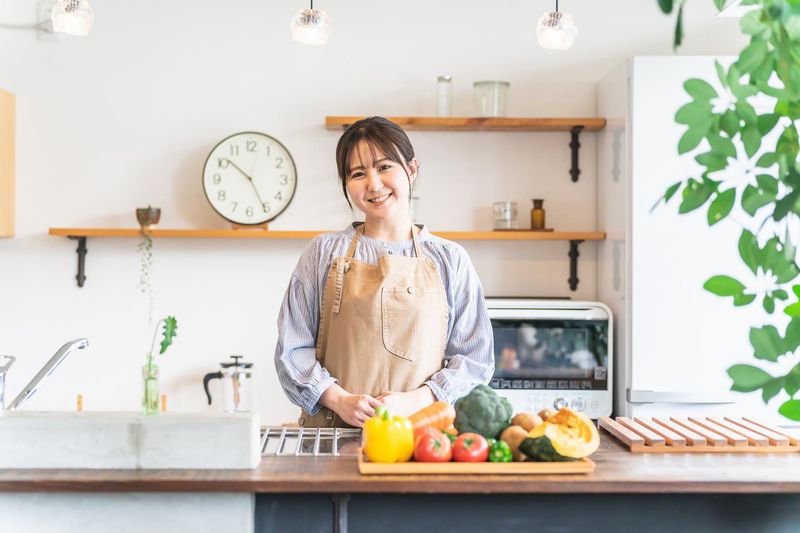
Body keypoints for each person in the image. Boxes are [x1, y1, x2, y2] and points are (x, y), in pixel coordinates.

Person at [274, 116, 494, 428]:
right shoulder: (323, 253)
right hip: (333, 435)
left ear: (412, 169)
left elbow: (474, 361)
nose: (374, 184)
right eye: (358, 173)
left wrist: (420, 399)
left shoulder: (450, 259)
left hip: (421, 438)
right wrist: (338, 399)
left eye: (384, 166)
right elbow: (292, 349)